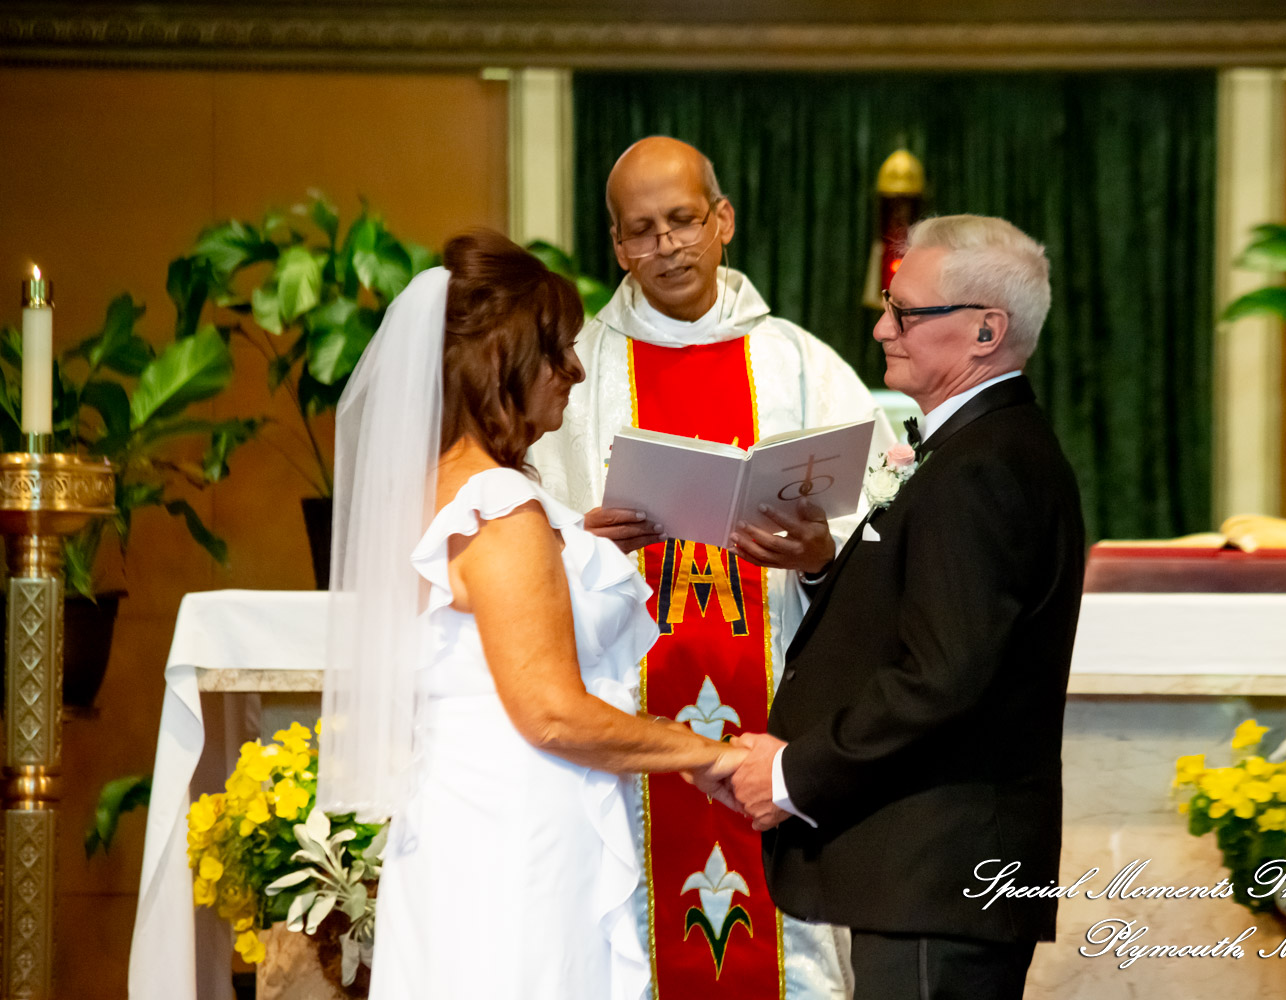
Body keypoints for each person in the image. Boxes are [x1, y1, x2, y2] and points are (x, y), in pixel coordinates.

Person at [317, 228, 745, 1000]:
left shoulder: (431, 489)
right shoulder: (501, 509)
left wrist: (572, 537)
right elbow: (550, 712)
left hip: (461, 814)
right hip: (519, 827)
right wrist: (704, 752)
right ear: (500, 360)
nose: (575, 372)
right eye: (557, 351)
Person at [529, 136, 894, 999]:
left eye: (684, 221)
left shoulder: (803, 366)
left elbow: (883, 532)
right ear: (617, 246)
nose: (668, 247)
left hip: (776, 720)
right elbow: (523, 549)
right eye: (642, 230)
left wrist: (819, 558)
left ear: (722, 220)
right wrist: (582, 547)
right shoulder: (574, 379)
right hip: (626, 720)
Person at [728, 214, 1087, 1000]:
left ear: (986, 331)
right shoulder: (978, 451)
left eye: (907, 311)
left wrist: (792, 772)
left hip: (940, 869)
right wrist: (825, 566)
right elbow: (935, 620)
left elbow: (942, 677)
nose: (882, 326)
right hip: (929, 873)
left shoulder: (981, 468)